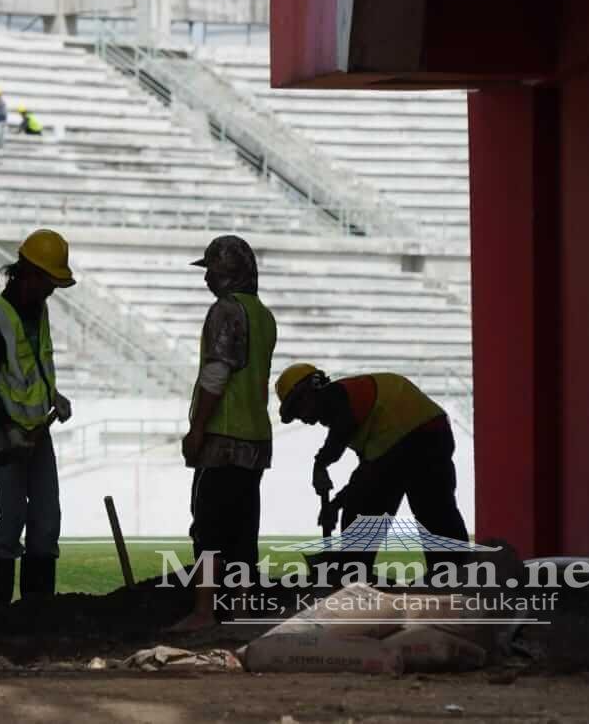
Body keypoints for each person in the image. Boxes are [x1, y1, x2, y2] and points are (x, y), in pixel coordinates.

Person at [276, 364, 470, 580]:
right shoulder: (359, 409)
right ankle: (455, 572)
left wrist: (320, 464)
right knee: (433, 508)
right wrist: (336, 504)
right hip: (429, 434)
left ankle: (353, 573)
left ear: (309, 393)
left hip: (412, 439)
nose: (301, 419)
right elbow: (369, 468)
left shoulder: (338, 396)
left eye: (297, 409)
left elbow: (346, 442)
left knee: (363, 509)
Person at [172, 235, 277, 632]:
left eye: (213, 271)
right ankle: (244, 608)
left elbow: (217, 374)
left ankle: (204, 611)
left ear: (229, 273)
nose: (207, 279)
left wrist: (197, 430)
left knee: (209, 529)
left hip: (223, 438)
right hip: (255, 440)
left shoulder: (226, 312)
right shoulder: (263, 315)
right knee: (243, 531)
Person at [0, 229, 76, 608]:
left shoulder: (40, 309)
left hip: (38, 431)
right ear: (29, 273)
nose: (52, 291)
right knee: (13, 515)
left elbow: (38, 363)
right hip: (7, 433)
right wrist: (9, 429)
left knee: (47, 518)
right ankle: (0, 615)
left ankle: (38, 611)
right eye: (49, 282)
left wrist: (55, 396)